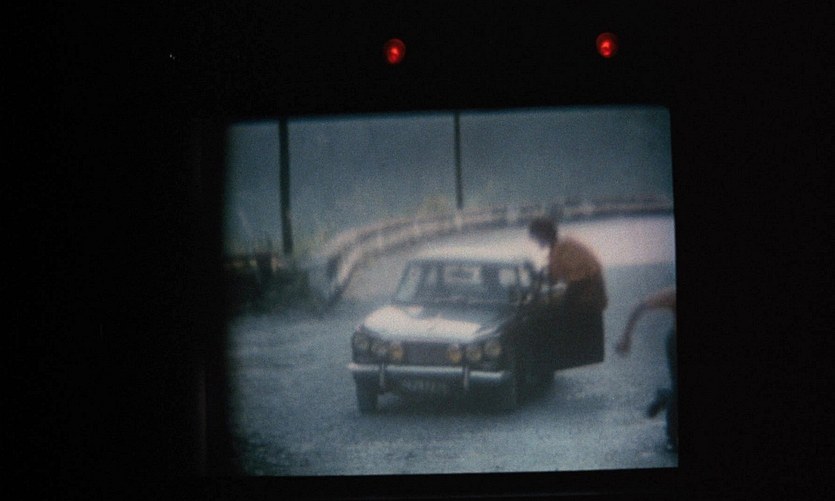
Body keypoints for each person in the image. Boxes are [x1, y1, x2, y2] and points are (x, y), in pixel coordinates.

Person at [528, 216, 608, 367]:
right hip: (582, 292)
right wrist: (536, 277)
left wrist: (565, 306)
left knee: (544, 318)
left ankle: (547, 360)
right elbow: (553, 277)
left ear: (543, 234)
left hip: (588, 297)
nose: (535, 241)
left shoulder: (566, 247)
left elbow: (580, 280)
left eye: (535, 237)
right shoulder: (557, 248)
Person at [615, 286, 677, 452]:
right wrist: (626, 337)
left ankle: (666, 396)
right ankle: (672, 437)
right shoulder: (673, 294)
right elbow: (639, 306)